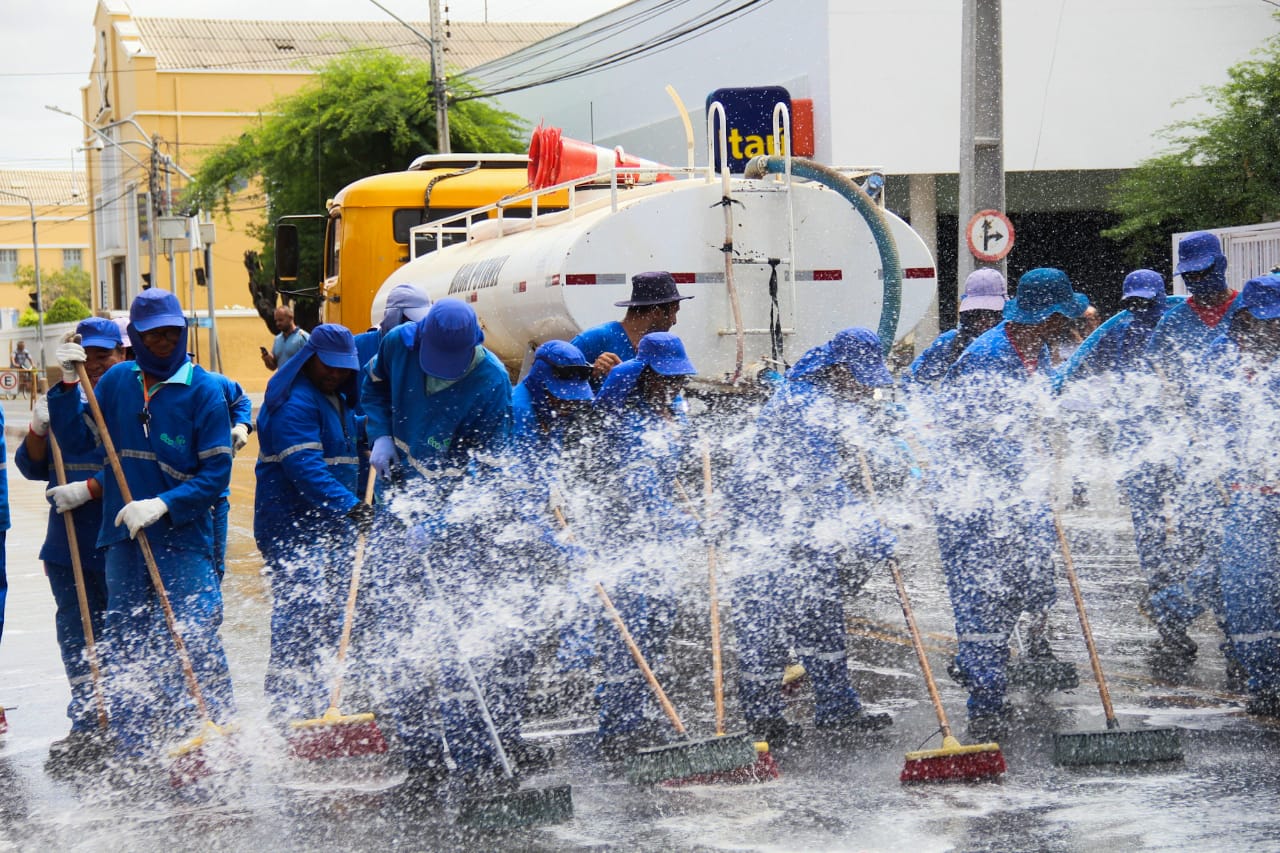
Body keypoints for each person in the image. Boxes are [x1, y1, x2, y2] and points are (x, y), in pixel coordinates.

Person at [48, 290, 235, 762]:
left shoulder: (204, 392)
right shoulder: (114, 384)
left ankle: (213, 734)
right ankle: (135, 749)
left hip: (183, 535)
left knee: (193, 633)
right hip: (125, 540)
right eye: (153, 335)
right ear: (136, 337)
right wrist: (69, 386)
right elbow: (74, 439)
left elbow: (215, 476)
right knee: (127, 642)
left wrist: (163, 505)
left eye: (171, 332)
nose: (163, 341)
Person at [726, 328, 900, 749]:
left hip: (803, 529)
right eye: (859, 377)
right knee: (765, 624)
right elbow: (821, 488)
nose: (863, 386)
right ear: (839, 370)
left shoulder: (824, 396)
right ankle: (764, 718)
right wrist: (869, 530)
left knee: (820, 617)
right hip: (766, 529)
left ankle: (837, 707)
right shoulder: (803, 407)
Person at [360, 297, 511, 780]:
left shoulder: (491, 384)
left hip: (454, 522)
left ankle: (470, 760)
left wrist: (441, 525)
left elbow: (486, 477)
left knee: (455, 640)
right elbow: (373, 393)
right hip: (398, 501)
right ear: (419, 338)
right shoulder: (396, 344)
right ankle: (419, 757)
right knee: (398, 632)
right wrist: (380, 435)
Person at [934, 267, 1088, 738]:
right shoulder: (988, 357)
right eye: (1065, 314)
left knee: (1033, 579)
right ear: (1049, 314)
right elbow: (972, 436)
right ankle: (985, 703)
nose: (1069, 323)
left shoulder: (1037, 350)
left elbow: (1038, 407)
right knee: (983, 598)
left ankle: (980, 667)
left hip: (1019, 497)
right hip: (972, 499)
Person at [583, 332, 699, 759]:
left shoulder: (671, 404)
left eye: (677, 380)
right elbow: (640, 493)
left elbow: (676, 455)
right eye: (665, 379)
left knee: (658, 623)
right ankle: (618, 725)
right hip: (622, 535)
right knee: (626, 627)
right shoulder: (626, 414)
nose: (673, 386)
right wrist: (689, 528)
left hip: (659, 536)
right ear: (645, 374)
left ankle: (648, 714)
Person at [16, 318, 123, 775]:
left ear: (121, 355)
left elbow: (137, 467)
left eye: (104, 354)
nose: (95, 363)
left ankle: (124, 718)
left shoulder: (131, 399)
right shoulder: (64, 400)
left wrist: (92, 489)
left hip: (119, 537)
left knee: (120, 634)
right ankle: (86, 720)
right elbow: (32, 468)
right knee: (77, 637)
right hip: (68, 543)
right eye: (88, 355)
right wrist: (41, 427)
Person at [254, 324, 368, 725]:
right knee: (299, 616)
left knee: (333, 616)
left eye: (343, 368)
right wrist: (351, 507)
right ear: (308, 357)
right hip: (291, 527)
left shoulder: (336, 400)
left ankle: (323, 704)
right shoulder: (294, 402)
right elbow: (304, 467)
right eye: (328, 365)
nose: (335, 373)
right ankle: (285, 712)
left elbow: (349, 457)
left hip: (331, 526)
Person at [1141, 231, 1242, 671]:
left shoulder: (1249, 311)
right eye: (1189, 275)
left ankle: (1180, 611)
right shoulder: (1173, 321)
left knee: (1239, 553)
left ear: (1219, 267)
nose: (1196, 282)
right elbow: (1155, 375)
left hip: (1245, 453)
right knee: (1207, 547)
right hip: (1193, 456)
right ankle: (1227, 638)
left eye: (1203, 273)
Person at [1202, 274, 1280, 716]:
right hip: (1246, 494)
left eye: (1278, 322)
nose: (1271, 330)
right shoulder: (1221, 359)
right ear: (1245, 319)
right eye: (1263, 322)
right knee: (1247, 591)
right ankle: (1264, 681)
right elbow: (1206, 419)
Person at [571, 271, 693, 390]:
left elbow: (668, 398)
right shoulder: (594, 339)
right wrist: (591, 372)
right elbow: (556, 382)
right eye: (673, 313)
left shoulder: (659, 347)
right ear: (656, 312)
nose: (674, 321)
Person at [907, 268, 1007, 384]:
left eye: (991, 314)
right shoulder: (949, 342)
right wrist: (936, 401)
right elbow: (912, 380)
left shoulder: (1017, 342)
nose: (983, 320)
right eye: (976, 313)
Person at [206, 372, 252, 582]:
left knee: (215, 568)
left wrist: (241, 425)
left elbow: (241, 399)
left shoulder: (212, 382)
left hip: (214, 493)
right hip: (168, 494)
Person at [353, 283, 431, 370]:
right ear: (393, 316)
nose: (417, 328)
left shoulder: (424, 351)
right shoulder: (356, 346)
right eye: (411, 321)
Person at [260, 304, 309, 371]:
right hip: (283, 381)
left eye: (280, 320)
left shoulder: (303, 337)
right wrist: (267, 358)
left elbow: (311, 364)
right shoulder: (277, 339)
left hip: (299, 380)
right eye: (276, 321)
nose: (278, 323)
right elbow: (273, 367)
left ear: (291, 318)